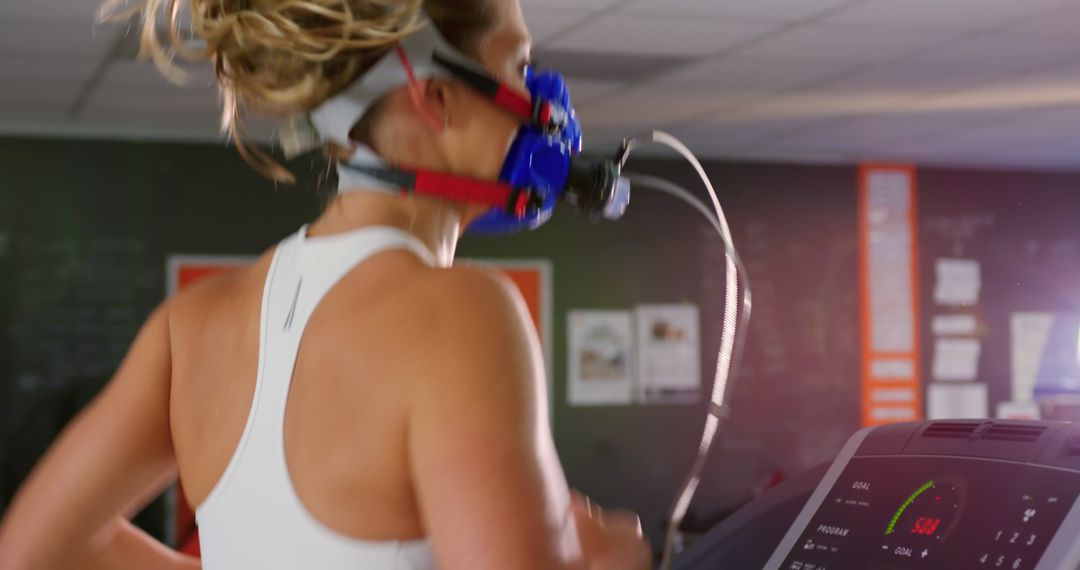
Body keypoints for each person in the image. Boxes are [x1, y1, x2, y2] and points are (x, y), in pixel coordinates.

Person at [0, 0, 652, 569]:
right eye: (517, 64)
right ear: (437, 97)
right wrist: (616, 560)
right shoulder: (463, 313)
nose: (541, 97)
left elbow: (29, 552)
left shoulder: (192, 324)